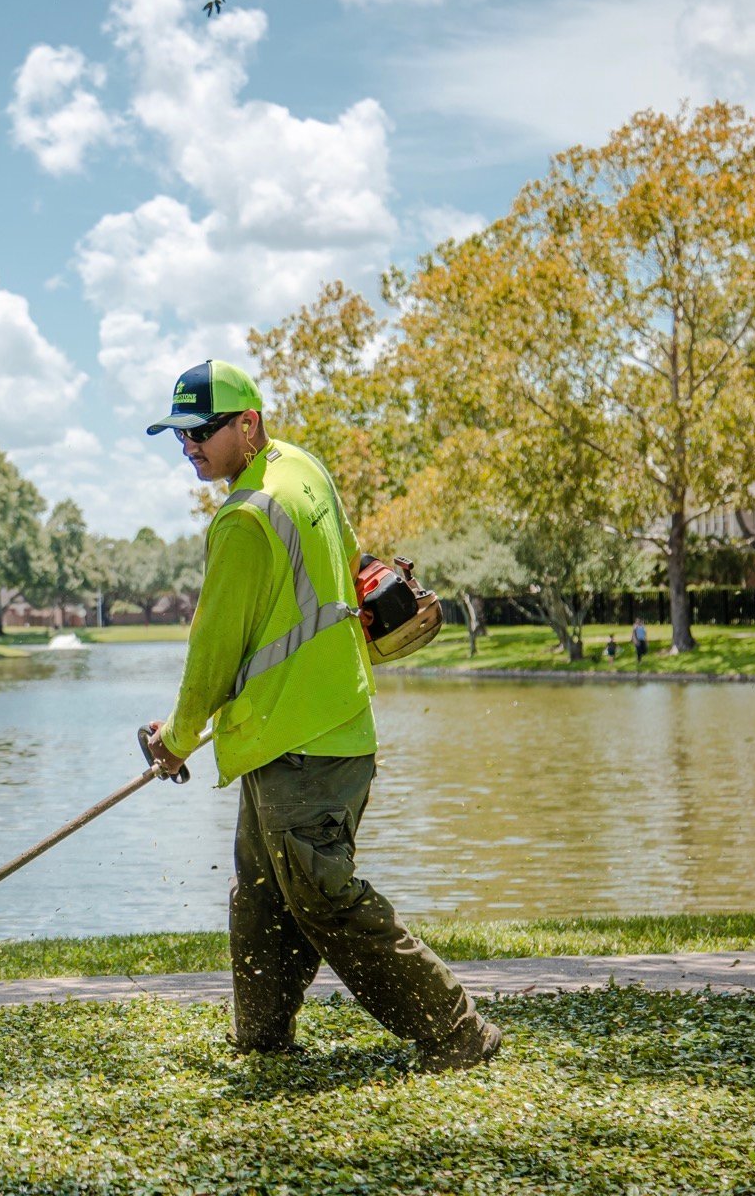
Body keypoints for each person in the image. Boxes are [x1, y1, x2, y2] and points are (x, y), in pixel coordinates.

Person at [142, 359, 500, 1073]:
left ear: (250, 424)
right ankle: (263, 1037)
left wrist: (175, 742)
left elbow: (212, 654)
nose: (191, 447)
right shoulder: (303, 468)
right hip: (311, 732)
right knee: (266, 899)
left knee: (325, 901)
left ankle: (458, 1033)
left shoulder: (243, 518)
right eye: (180, 435)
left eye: (204, 431)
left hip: (302, 742)